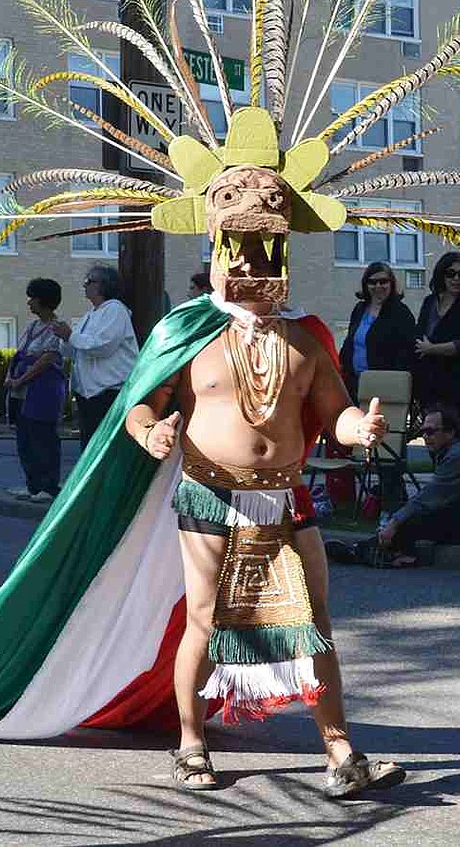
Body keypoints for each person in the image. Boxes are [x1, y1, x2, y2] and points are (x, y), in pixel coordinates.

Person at [126, 142, 397, 797]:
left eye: (265, 247)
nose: (250, 260)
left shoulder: (304, 337)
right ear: (217, 250)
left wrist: (359, 427)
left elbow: (333, 412)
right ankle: (192, 744)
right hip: (208, 496)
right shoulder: (187, 331)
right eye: (239, 245)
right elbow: (139, 405)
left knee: (317, 623)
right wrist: (150, 430)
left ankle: (340, 752)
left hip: (284, 497)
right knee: (203, 621)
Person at [373, 405, 460, 569]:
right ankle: (380, 549)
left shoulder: (458, 456)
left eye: (431, 432)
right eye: (423, 431)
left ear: (450, 433)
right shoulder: (450, 451)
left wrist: (394, 523)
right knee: (408, 513)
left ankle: (402, 555)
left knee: (410, 518)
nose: (425, 437)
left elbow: (427, 497)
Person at [52, 264, 138, 449]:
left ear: (103, 285)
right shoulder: (91, 314)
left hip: (107, 393)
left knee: (103, 448)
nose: (84, 285)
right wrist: (65, 338)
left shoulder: (115, 310)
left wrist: (70, 336)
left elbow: (103, 346)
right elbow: (75, 350)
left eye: (88, 281)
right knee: (90, 447)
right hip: (89, 394)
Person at [4, 278, 66, 504]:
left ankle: (48, 486)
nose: (29, 303)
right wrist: (10, 377)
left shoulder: (57, 328)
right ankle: (32, 485)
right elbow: (20, 354)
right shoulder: (32, 327)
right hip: (23, 393)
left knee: (43, 438)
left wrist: (20, 379)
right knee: (25, 439)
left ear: (43, 301)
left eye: (33, 298)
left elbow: (47, 359)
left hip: (43, 391)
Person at [413, 254, 460, 438]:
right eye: (451, 273)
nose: (456, 279)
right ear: (441, 275)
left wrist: (432, 349)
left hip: (457, 385)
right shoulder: (430, 302)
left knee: (458, 438)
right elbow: (420, 335)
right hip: (428, 384)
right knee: (432, 437)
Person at [338, 262, 416, 400]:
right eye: (372, 282)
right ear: (366, 285)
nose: (378, 286)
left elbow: (406, 353)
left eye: (383, 282)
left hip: (384, 386)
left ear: (391, 284)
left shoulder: (401, 312)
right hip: (354, 383)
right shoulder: (360, 309)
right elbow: (350, 342)